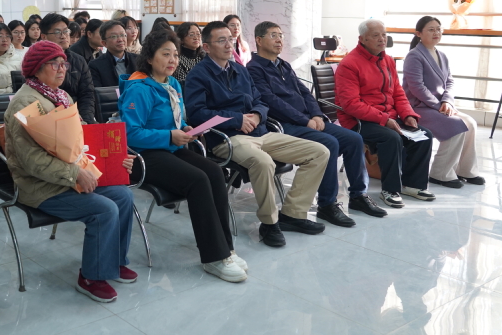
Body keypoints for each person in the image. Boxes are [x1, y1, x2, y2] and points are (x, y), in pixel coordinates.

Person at [5, 41, 136, 302]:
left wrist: (115, 159)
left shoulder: (59, 96)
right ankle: (91, 276)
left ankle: (112, 260)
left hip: (67, 175)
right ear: (35, 69)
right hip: (40, 186)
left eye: (63, 63)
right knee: (104, 209)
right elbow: (32, 161)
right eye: (53, 64)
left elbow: (78, 143)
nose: (62, 68)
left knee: (123, 196)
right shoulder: (26, 103)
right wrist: (75, 174)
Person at [185, 21, 329, 247]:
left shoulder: (240, 70)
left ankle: (292, 214)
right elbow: (196, 114)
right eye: (221, 41)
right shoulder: (198, 75)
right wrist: (237, 119)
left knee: (319, 152)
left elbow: (260, 100)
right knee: (263, 162)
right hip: (228, 138)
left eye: (230, 39)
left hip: (260, 132)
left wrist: (257, 115)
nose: (228, 45)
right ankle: (269, 223)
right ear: (206, 47)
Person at [118, 28, 246, 283]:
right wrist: (169, 136)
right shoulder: (139, 88)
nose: (173, 60)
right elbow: (130, 134)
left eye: (175, 55)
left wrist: (186, 128)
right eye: (166, 54)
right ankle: (213, 257)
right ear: (150, 58)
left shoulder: (173, 84)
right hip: (144, 157)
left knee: (214, 171)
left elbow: (177, 119)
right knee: (197, 179)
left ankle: (226, 249)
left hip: (171, 148)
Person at [247, 21, 386, 225]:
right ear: (259, 41)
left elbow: (305, 92)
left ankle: (358, 195)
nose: (279, 40)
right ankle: (327, 205)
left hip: (307, 120)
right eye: (273, 35)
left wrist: (317, 115)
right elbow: (271, 102)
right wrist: (305, 120)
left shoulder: (283, 65)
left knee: (354, 139)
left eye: (281, 35)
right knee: (329, 143)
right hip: (285, 125)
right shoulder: (253, 69)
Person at [335, 19, 435, 208]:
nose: (382, 39)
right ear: (362, 39)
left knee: (424, 135)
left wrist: (408, 115)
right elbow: (351, 104)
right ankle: (390, 189)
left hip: (388, 117)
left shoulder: (387, 60)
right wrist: (384, 119)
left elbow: (398, 92)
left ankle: (413, 185)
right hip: (359, 121)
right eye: (376, 35)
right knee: (391, 138)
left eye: (384, 34)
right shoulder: (349, 64)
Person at [403, 16, 482, 187]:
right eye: (431, 30)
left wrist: (447, 102)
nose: (436, 33)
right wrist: (439, 106)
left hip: (438, 106)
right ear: (418, 33)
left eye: (438, 29)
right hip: (418, 108)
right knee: (456, 126)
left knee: (471, 123)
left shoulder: (442, 55)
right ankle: (440, 173)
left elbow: (450, 82)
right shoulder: (414, 56)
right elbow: (417, 88)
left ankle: (465, 170)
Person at [39, 13, 97, 124]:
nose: (63, 36)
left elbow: (87, 94)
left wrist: (87, 122)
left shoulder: (79, 61)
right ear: (44, 37)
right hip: (49, 120)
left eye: (66, 31)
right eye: (57, 32)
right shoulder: (38, 63)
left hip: (78, 117)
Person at [89, 20, 137, 88]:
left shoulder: (138, 60)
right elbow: (99, 91)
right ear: (104, 43)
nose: (120, 39)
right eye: (114, 36)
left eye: (122, 35)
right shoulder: (95, 66)